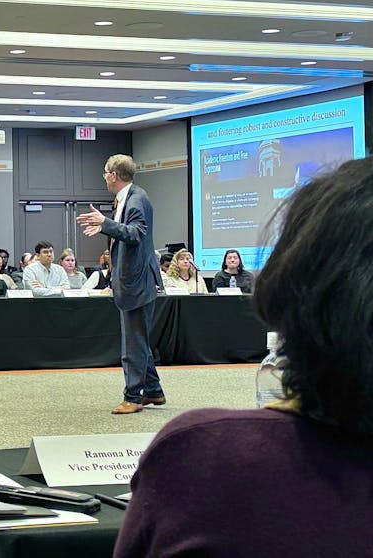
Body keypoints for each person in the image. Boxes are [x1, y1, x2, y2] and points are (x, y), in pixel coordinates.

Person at [115, 156, 373, 556]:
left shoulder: (201, 455)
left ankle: (142, 390)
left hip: (135, 289)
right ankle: (147, 389)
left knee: (136, 344)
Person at [77, 153, 164, 415]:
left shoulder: (137, 199)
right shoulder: (128, 197)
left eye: (105, 172)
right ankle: (153, 392)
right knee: (139, 339)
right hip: (133, 280)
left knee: (133, 342)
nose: (104, 177)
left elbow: (137, 234)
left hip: (136, 282)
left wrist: (105, 223)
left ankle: (132, 397)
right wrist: (107, 226)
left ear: (114, 175)